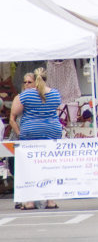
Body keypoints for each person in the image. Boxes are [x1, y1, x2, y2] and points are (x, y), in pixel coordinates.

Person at [10, 68, 61, 210]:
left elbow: (14, 114)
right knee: (49, 167)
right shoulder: (55, 94)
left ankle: (30, 201)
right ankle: (50, 200)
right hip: (52, 133)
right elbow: (55, 107)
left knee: (29, 168)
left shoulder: (26, 95)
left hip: (31, 133)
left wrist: (20, 133)